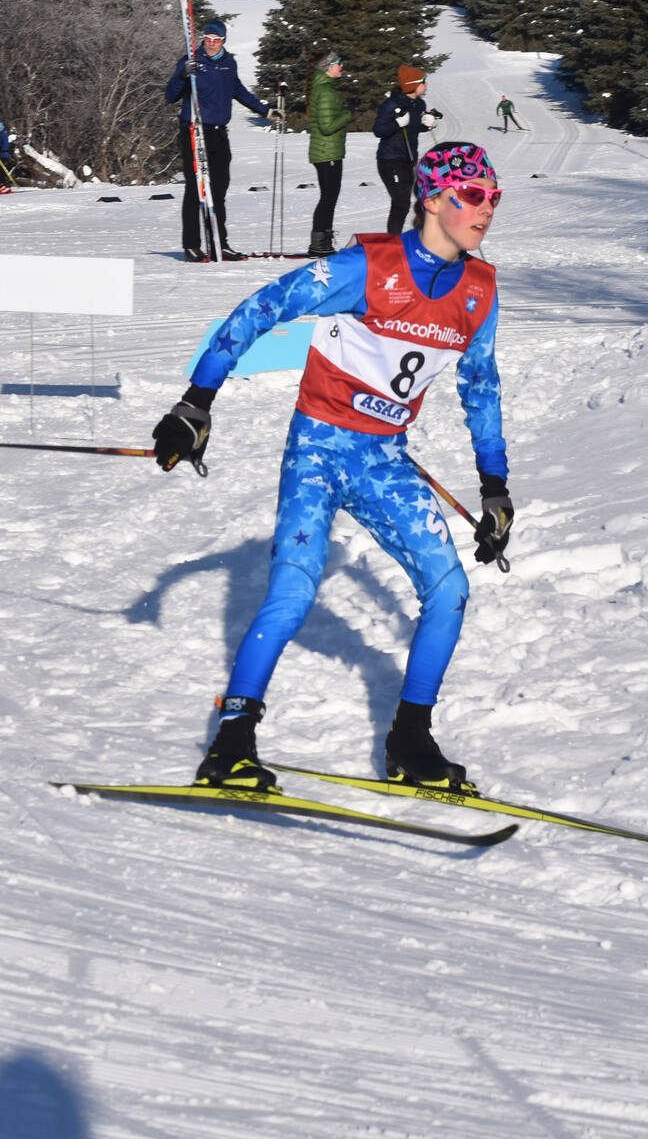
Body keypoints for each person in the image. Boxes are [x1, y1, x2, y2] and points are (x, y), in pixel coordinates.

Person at [150, 140, 514, 791]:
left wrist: (494, 486)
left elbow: (480, 386)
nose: (487, 209)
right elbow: (260, 309)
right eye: (473, 195)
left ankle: (411, 739)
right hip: (319, 446)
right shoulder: (367, 267)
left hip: (383, 459)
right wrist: (195, 403)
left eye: (494, 196)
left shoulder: (478, 291)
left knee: (449, 588)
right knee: (292, 592)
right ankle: (231, 740)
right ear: (434, 198)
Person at [164, 16, 274, 262]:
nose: (212, 43)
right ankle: (191, 245)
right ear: (203, 38)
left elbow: (239, 91)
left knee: (219, 188)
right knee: (196, 189)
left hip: (218, 133)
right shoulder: (192, 62)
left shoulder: (228, 64)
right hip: (195, 132)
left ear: (224, 41)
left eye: (217, 40)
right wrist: (182, 76)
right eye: (208, 39)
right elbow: (169, 96)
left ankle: (218, 243)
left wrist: (264, 110)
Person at [372, 65, 442, 236]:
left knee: (418, 199)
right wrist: (397, 124)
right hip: (390, 160)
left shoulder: (419, 103)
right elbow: (378, 130)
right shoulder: (392, 104)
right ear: (412, 85)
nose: (426, 85)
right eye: (423, 82)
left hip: (409, 159)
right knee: (401, 202)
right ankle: (393, 242)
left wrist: (427, 124)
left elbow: (414, 127)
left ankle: (419, 239)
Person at [304, 48, 349, 258]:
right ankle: (319, 243)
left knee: (329, 197)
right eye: (338, 63)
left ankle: (323, 241)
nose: (341, 66)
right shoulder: (325, 92)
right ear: (328, 68)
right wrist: (347, 115)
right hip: (326, 152)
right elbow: (327, 126)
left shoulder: (326, 89)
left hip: (329, 151)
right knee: (328, 198)